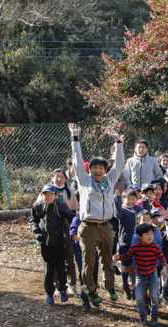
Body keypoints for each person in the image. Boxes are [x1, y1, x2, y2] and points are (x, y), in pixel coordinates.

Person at [69, 123, 124, 305]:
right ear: (90, 170)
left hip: (106, 226)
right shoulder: (84, 180)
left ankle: (108, 286)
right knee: (89, 262)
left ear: (105, 169)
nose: (98, 170)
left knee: (108, 260)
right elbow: (77, 160)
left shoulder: (109, 180)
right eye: (95, 168)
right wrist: (75, 137)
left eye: (101, 167)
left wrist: (118, 141)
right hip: (88, 227)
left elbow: (120, 163)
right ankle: (90, 289)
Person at [114, 223, 168, 327]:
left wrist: (164, 267)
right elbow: (127, 256)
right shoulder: (135, 247)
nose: (150, 236)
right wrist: (118, 257)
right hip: (140, 275)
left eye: (152, 234)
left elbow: (162, 259)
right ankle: (142, 315)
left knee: (155, 297)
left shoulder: (155, 247)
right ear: (139, 236)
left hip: (152, 275)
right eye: (147, 234)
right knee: (139, 297)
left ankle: (154, 315)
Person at [31, 184, 76, 305]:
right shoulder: (37, 206)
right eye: (46, 195)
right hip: (44, 242)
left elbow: (72, 217)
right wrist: (37, 233)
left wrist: (74, 231)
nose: (48, 197)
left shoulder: (60, 206)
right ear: (42, 195)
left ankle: (62, 290)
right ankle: (49, 293)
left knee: (60, 266)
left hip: (58, 242)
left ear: (56, 195)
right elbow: (34, 221)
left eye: (51, 194)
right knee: (48, 268)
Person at [37, 169, 79, 296]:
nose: (59, 179)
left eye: (62, 177)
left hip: (67, 226)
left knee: (69, 256)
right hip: (51, 229)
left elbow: (74, 212)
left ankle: (71, 284)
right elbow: (38, 211)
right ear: (52, 178)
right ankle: (55, 284)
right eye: (57, 177)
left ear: (66, 179)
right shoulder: (45, 193)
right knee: (53, 259)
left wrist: (74, 228)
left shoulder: (70, 192)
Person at [114, 188, 143, 300]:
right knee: (126, 266)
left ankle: (136, 289)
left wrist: (145, 202)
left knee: (136, 267)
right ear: (123, 200)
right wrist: (116, 199)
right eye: (128, 199)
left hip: (138, 243)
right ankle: (125, 286)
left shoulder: (138, 208)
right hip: (125, 243)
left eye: (133, 199)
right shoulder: (122, 210)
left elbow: (146, 213)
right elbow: (117, 215)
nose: (131, 201)